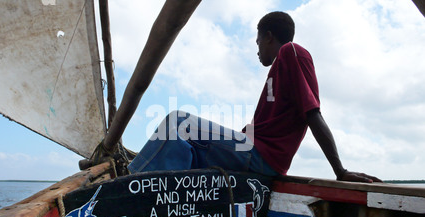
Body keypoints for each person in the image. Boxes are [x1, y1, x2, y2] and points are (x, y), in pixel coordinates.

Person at [127, 11, 381, 183]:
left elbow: (312, 113)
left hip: (262, 157)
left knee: (178, 122)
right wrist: (235, 137)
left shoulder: (291, 53)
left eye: (258, 41)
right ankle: (162, 192)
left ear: (269, 36)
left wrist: (340, 171)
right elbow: (270, 125)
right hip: (254, 150)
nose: (257, 49)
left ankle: (129, 180)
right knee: (184, 145)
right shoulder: (278, 69)